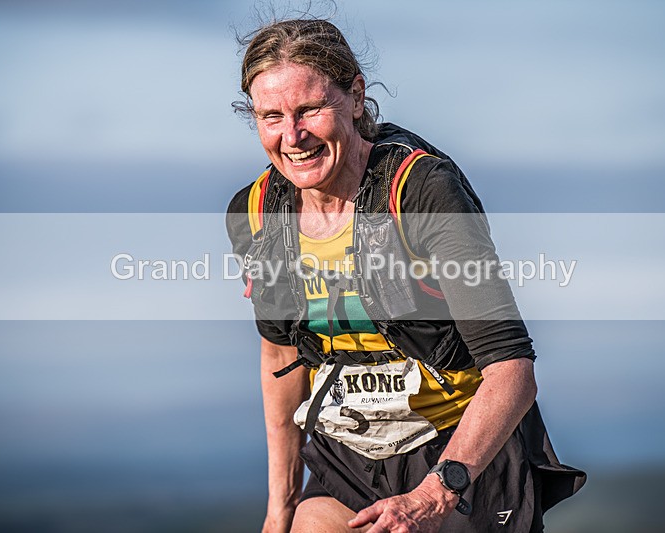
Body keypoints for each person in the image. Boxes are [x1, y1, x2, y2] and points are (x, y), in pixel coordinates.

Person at [226, 18, 585, 533]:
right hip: (346, 454)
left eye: (309, 110)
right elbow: (281, 356)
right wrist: (277, 511)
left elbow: (512, 371)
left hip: (461, 453)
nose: (292, 136)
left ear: (355, 96)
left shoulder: (421, 195)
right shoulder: (257, 212)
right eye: (271, 116)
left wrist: (432, 496)